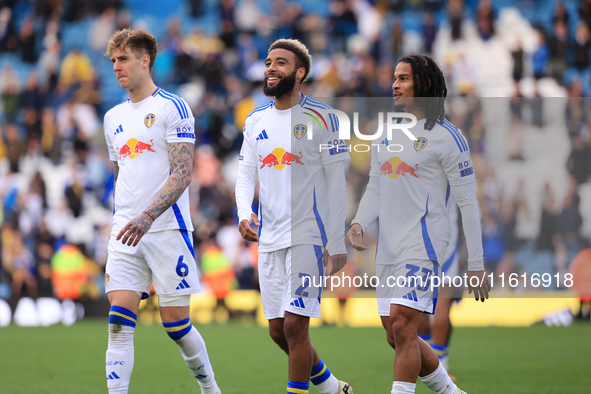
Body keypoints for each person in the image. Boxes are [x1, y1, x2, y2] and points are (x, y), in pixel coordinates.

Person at [347, 54, 490, 394]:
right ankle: (451, 392)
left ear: (424, 85)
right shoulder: (386, 135)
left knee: (402, 324)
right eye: (394, 78)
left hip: (424, 244)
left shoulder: (449, 137)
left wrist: (477, 263)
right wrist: (359, 223)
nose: (395, 85)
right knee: (394, 333)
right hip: (389, 247)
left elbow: (468, 202)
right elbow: (376, 187)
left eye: (404, 79)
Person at [102, 29, 221, 394]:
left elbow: (183, 172)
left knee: (176, 326)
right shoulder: (112, 118)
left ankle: (210, 388)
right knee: (119, 324)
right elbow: (121, 172)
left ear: (145, 60)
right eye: (113, 62)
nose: (117, 67)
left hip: (166, 229)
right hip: (125, 231)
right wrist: (128, 216)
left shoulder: (172, 106)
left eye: (123, 59)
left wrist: (147, 215)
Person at [235, 39, 353, 394]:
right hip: (269, 239)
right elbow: (245, 173)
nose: (271, 68)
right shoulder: (255, 120)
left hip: (308, 237)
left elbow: (337, 183)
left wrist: (335, 240)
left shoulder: (325, 119)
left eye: (281, 63)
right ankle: (332, 387)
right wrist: (243, 213)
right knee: (277, 330)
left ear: (300, 73)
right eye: (268, 61)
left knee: (295, 327)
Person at [417, 195, 462, 380]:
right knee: (443, 301)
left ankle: (422, 359)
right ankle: (440, 364)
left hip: (416, 234)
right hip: (445, 235)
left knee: (417, 300)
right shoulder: (451, 166)